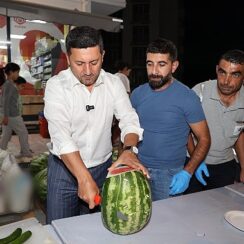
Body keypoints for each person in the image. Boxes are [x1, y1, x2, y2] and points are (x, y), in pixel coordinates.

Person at [43, 26, 148, 224]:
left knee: (95, 230)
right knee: (59, 228)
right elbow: (61, 137)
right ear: (68, 58)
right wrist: (83, 178)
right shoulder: (56, 86)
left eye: (94, 62)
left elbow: (129, 119)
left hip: (103, 168)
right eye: (80, 63)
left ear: (103, 55)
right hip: (64, 171)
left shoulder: (113, 83)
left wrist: (129, 150)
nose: (88, 71)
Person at [130, 38, 211, 201]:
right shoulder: (137, 94)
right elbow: (127, 128)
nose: (154, 71)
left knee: (168, 223)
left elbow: (204, 138)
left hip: (169, 174)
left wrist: (188, 172)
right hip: (138, 168)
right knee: (137, 219)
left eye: (161, 64)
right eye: (149, 63)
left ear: (173, 66)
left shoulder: (187, 97)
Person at [186, 49, 244, 193]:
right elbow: (185, 132)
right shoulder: (199, 92)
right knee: (189, 210)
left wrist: (243, 167)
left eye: (235, 74)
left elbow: (239, 134)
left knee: (221, 209)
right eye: (222, 72)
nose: (226, 81)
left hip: (225, 166)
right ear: (217, 70)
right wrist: (195, 162)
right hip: (193, 162)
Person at [0, 63, 32, 161]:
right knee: (23, 133)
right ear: (11, 72)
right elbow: (6, 101)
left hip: (7, 115)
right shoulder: (9, 85)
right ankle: (25, 152)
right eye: (17, 72)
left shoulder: (8, 84)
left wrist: (5, 116)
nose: (18, 74)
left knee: (6, 134)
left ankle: (1, 152)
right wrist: (5, 116)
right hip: (12, 115)